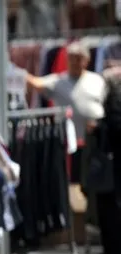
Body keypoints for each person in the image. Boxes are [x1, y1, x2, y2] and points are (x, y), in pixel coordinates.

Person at [25, 41, 107, 184]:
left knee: (96, 182)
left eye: (78, 58)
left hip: (95, 142)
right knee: (72, 182)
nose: (74, 62)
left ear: (86, 60)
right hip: (69, 144)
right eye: (71, 58)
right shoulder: (57, 81)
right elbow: (35, 83)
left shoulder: (98, 80)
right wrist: (16, 72)